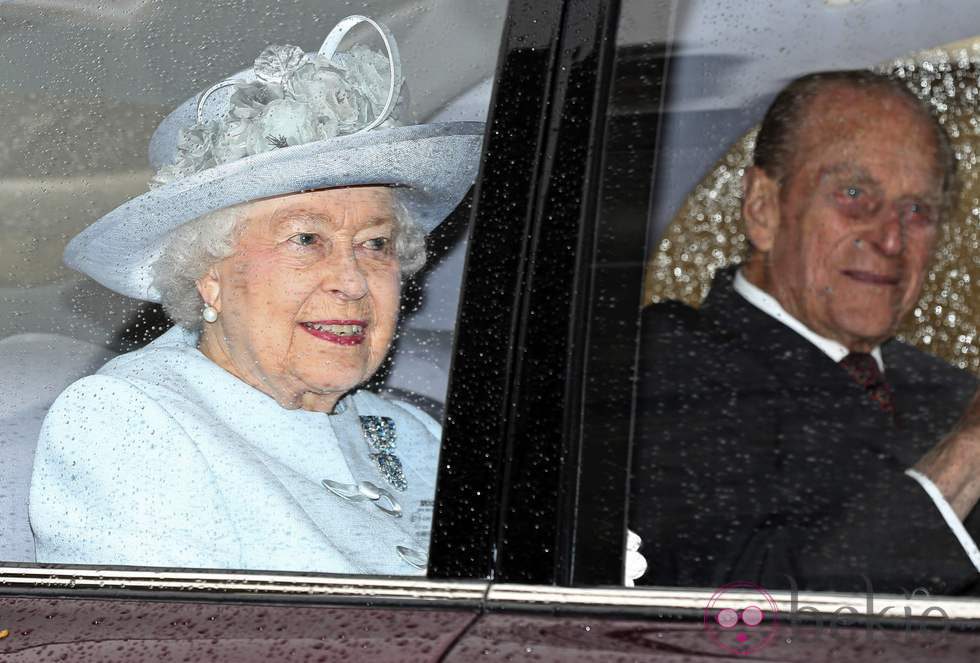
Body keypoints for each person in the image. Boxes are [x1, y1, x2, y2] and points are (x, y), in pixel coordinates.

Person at [28, 16, 483, 574]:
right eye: (307, 239)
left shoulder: (417, 434)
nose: (352, 280)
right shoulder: (129, 423)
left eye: (376, 244)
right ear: (208, 273)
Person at [631, 70, 980, 594]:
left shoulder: (951, 394)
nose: (890, 238)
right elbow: (737, 609)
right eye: (854, 192)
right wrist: (965, 458)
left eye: (917, 210)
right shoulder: (656, 365)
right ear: (763, 207)